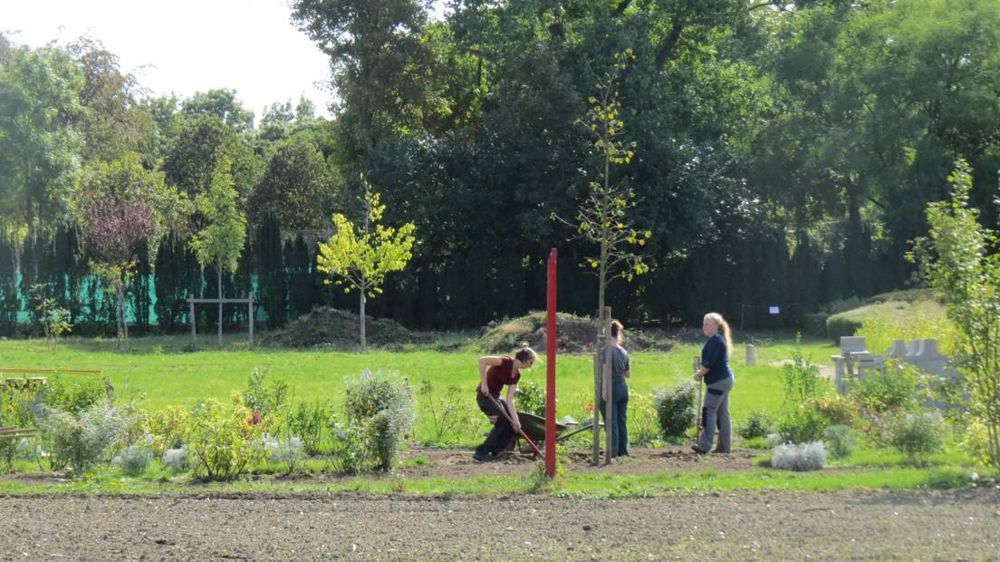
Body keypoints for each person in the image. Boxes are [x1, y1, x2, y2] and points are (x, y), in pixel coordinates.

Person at [473, 343, 537, 462]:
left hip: (496, 397)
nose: (531, 365)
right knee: (503, 421)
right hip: (485, 396)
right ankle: (482, 452)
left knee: (512, 424)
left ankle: (498, 450)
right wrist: (484, 384)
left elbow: (510, 400)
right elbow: (482, 361)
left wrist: (517, 422)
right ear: (525, 359)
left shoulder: (516, 375)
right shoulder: (505, 361)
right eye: (531, 362)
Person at [692, 312, 735, 454]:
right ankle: (724, 447)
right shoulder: (718, 339)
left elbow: (709, 364)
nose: (704, 327)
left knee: (709, 411)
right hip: (725, 379)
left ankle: (705, 445)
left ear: (716, 325)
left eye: (707, 324)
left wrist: (699, 374)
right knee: (722, 413)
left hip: (718, 381)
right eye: (703, 324)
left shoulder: (715, 341)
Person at [599, 320, 631, 457]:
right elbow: (628, 374)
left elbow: (605, 371)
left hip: (611, 387)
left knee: (611, 422)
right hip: (623, 387)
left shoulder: (605, 351)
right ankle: (623, 450)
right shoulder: (623, 351)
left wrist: (604, 391)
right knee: (621, 421)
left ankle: (613, 452)